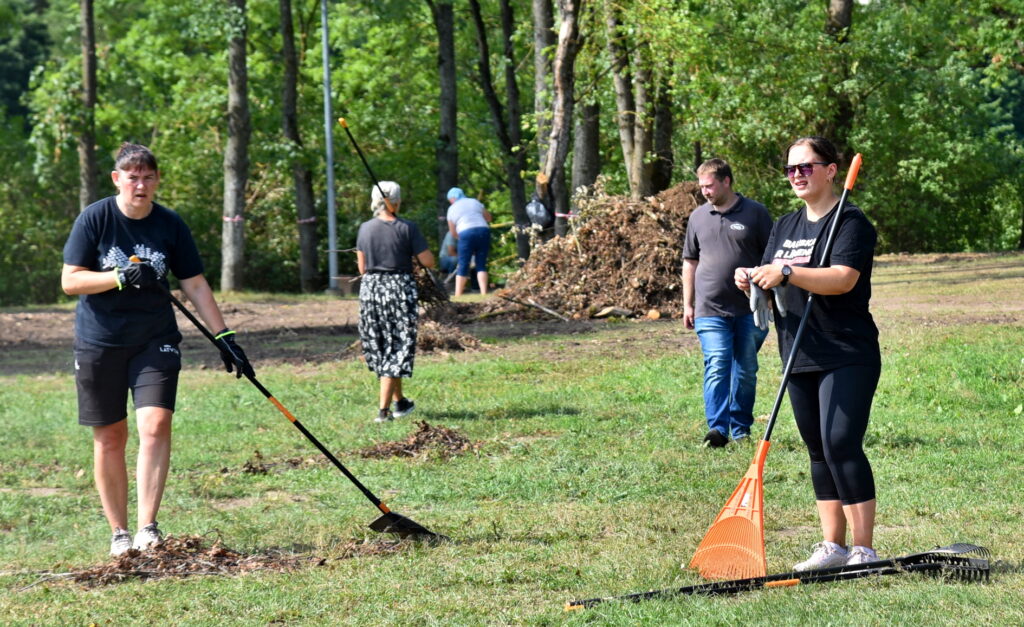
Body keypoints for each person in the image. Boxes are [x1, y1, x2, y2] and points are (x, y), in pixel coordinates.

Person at [62, 142, 254, 557]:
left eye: (148, 177)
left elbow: (195, 283)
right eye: (133, 177)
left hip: (155, 339)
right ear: (117, 179)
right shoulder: (95, 218)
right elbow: (71, 281)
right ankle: (119, 533)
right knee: (111, 436)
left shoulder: (170, 224)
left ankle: (148, 526)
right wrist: (118, 277)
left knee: (154, 425)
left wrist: (225, 337)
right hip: (100, 341)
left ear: (157, 181)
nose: (141, 185)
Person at [735, 136, 881, 570]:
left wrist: (786, 271)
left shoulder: (850, 221)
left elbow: (841, 279)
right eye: (791, 169)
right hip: (797, 349)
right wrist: (752, 277)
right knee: (817, 448)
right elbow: (773, 272)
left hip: (846, 351)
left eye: (807, 166)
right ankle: (832, 546)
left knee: (841, 442)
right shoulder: (784, 226)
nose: (797, 174)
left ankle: (864, 549)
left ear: (832, 170)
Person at [683, 158, 773, 448]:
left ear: (726, 181)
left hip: (750, 307)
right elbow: (690, 262)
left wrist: (769, 296)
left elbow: (772, 257)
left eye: (709, 186)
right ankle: (718, 429)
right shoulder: (697, 217)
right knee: (718, 362)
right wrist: (688, 304)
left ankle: (740, 428)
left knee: (745, 369)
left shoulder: (756, 213)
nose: (705, 192)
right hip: (710, 307)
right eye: (702, 187)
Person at [355, 181, 435, 423]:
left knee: (382, 345)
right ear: (396, 202)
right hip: (399, 289)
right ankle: (383, 411)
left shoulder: (364, 229)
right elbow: (428, 261)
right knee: (397, 346)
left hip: (371, 290)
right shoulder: (407, 228)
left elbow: (362, 268)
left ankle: (400, 402)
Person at [445, 187, 492, 297]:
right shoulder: (474, 202)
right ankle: (484, 293)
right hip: (483, 231)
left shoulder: (451, 209)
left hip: (465, 233)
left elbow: (452, 232)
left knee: (463, 264)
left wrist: (461, 239)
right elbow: (489, 218)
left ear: (453, 198)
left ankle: (458, 295)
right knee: (481, 264)